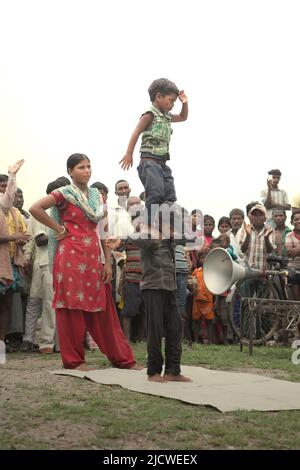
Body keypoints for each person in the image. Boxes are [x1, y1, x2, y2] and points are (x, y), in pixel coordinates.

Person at [29, 153, 137, 371]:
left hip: (93, 257)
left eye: (89, 166)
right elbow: (35, 208)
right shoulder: (64, 194)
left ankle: (122, 358)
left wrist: (107, 263)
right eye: (80, 167)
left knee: (104, 309)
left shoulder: (98, 197)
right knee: (71, 309)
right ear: (70, 171)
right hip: (68, 257)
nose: (86, 171)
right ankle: (75, 361)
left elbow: (104, 231)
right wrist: (58, 228)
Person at [106, 205, 191, 383]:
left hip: (169, 287)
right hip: (152, 288)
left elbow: (187, 237)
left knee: (175, 328)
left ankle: (173, 371)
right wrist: (120, 240)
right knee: (155, 330)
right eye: (166, 221)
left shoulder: (170, 239)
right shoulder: (149, 238)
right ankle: (153, 371)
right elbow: (134, 238)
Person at [119, 78, 188, 226]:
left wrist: (185, 103)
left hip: (162, 163)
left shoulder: (167, 117)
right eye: (171, 100)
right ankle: (148, 226)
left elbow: (183, 117)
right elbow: (136, 133)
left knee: (170, 195)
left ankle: (165, 223)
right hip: (149, 161)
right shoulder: (149, 115)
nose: (173, 104)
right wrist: (129, 153)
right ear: (158, 96)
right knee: (155, 193)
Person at [0, 159, 30, 349]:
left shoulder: (15, 213)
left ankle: (1, 342)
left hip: (11, 262)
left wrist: (20, 239)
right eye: (1, 187)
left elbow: (26, 234)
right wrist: (12, 237)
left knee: (6, 305)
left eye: (6, 187)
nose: (4, 190)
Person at [285, 210, 300, 301]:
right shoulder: (289, 235)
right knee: (297, 301)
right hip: (293, 271)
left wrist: (297, 248)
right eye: (296, 219)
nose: (299, 221)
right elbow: (290, 252)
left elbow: (295, 251)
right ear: (291, 222)